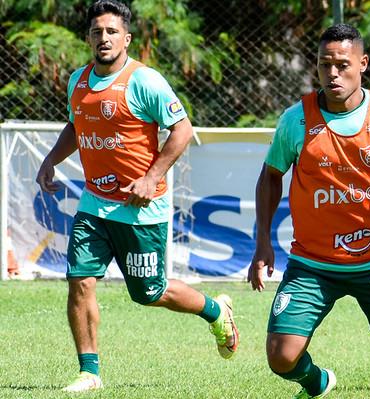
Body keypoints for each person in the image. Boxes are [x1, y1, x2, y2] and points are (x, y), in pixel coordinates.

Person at [35, 0, 238, 392]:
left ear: (127, 38)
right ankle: (89, 372)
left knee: (150, 293)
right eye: (97, 32)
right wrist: (50, 160)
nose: (104, 38)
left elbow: (181, 130)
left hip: (141, 208)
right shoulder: (77, 80)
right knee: (80, 281)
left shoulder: (145, 81)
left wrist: (150, 177)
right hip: (95, 203)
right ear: (89, 38)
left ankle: (216, 311)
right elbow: (76, 127)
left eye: (112, 32)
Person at [248, 23, 370, 399]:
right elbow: (270, 177)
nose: (333, 73)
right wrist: (263, 243)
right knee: (281, 356)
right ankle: (317, 384)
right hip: (313, 263)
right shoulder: (297, 119)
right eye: (324, 65)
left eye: (342, 64)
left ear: (363, 63)